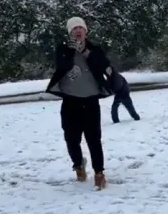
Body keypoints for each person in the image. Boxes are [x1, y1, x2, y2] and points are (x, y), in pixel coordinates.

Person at [45, 17, 115, 189]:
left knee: (94, 140)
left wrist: (86, 53)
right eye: (74, 28)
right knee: (71, 139)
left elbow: (104, 65)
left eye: (80, 28)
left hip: (91, 101)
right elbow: (61, 64)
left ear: (86, 31)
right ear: (69, 32)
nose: (78, 31)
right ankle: (78, 165)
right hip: (70, 102)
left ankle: (99, 173)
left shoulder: (95, 49)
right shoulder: (63, 49)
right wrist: (71, 51)